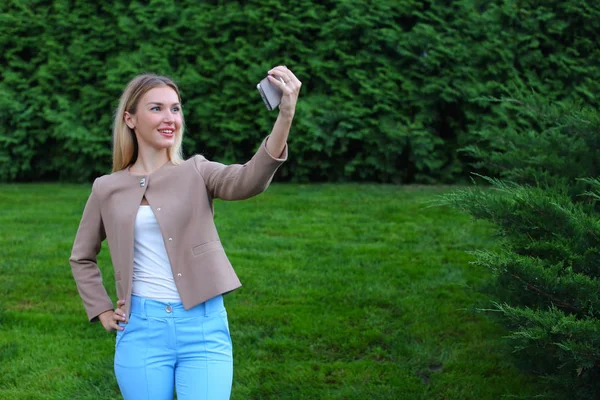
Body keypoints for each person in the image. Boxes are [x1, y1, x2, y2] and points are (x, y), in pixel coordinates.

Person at [69, 66, 301, 399]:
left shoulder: (197, 170)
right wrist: (102, 309)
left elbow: (248, 181)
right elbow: (82, 256)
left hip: (204, 327)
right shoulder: (107, 188)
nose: (170, 118)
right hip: (141, 330)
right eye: (156, 108)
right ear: (130, 118)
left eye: (175, 108)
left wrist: (285, 115)